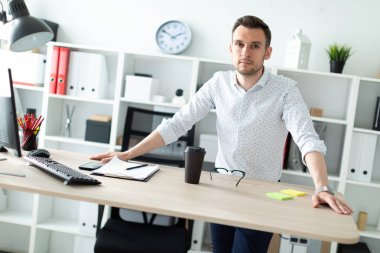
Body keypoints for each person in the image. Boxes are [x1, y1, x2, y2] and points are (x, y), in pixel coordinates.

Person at [91, 15, 353, 253]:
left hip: (263, 195)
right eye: (239, 44)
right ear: (230, 48)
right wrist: (127, 154)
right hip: (222, 189)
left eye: (255, 45)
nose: (245, 52)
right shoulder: (218, 83)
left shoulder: (285, 90)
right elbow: (177, 123)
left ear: (267, 52)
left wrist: (322, 186)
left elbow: (307, 138)